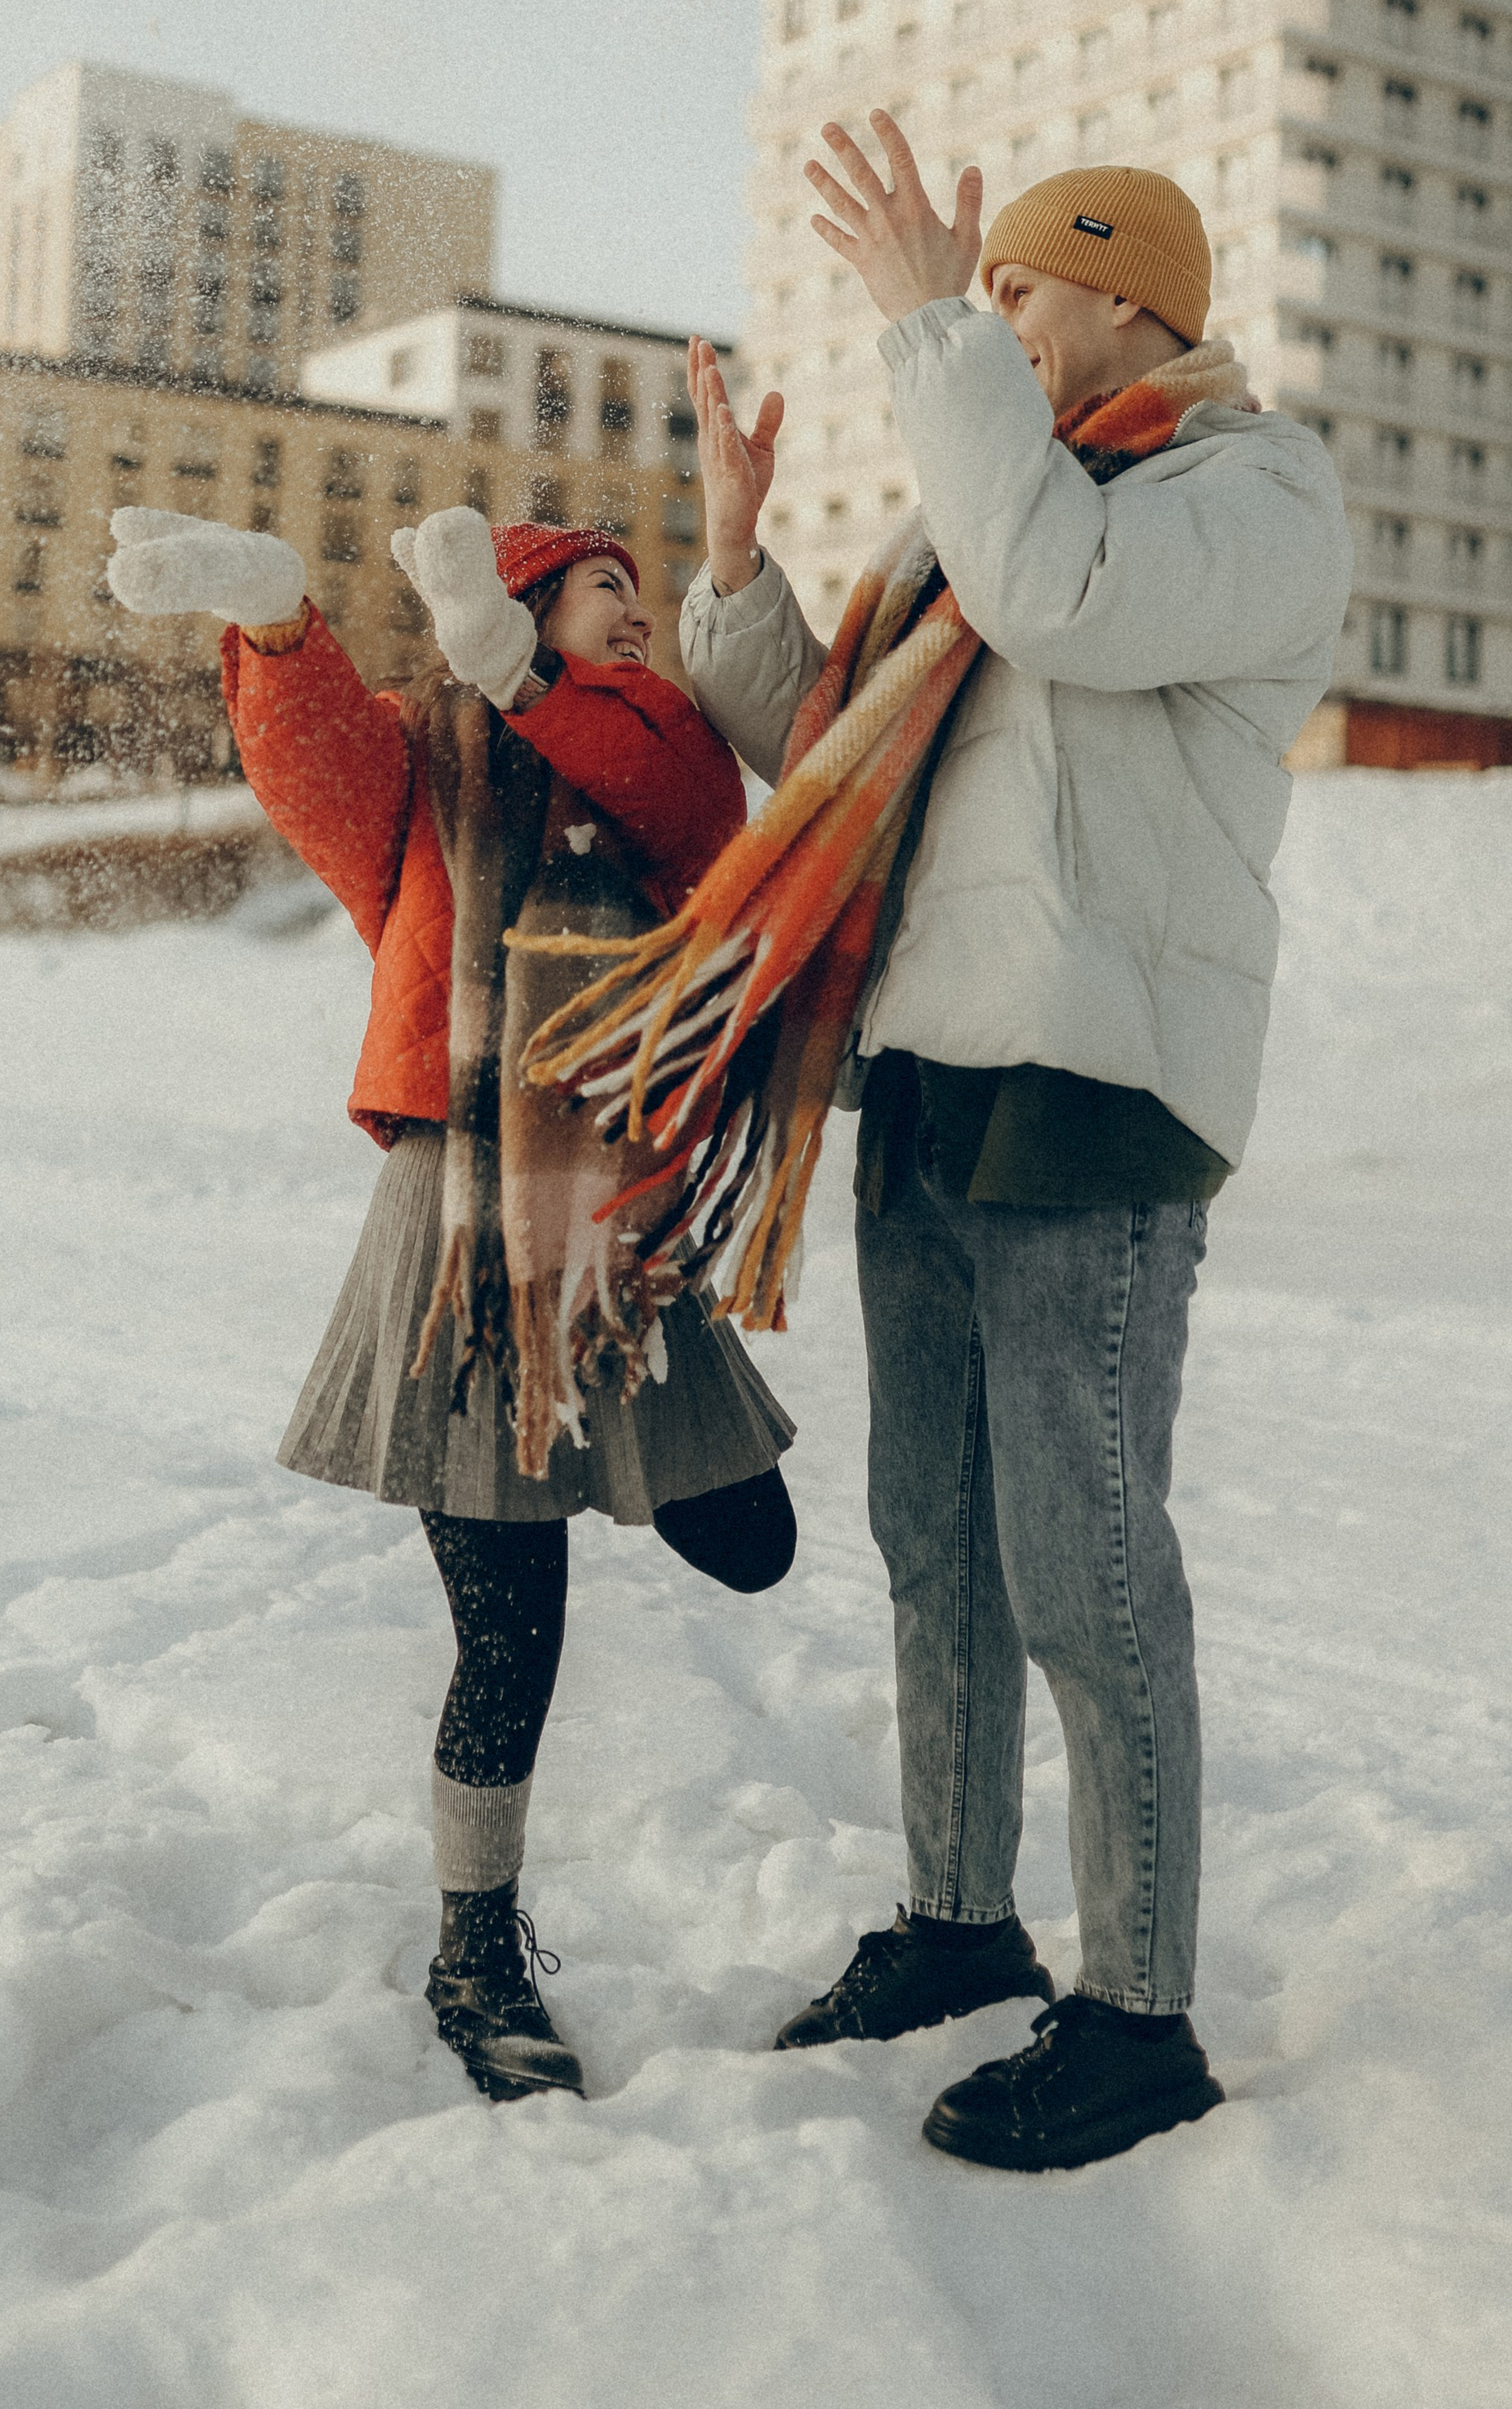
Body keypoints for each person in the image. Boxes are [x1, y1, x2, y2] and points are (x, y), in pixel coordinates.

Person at [677, 114, 1352, 2175]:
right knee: (936, 1553)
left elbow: (1053, 597)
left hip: (1093, 1084)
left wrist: (918, 334)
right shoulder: (994, 502)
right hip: (929, 1078)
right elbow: (822, 741)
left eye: (1017, 293)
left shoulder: (1246, 493)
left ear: (1131, 297)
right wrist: (727, 561)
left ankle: (1137, 2012)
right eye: (982, 302)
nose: (986, 322)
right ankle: (956, 1926)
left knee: (1085, 1569)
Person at [106, 500, 798, 2108]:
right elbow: (318, 772)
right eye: (597, 590)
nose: (632, 610)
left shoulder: (671, 752)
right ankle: (472, 1953)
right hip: (454, 1204)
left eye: (640, 590)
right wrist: (281, 635)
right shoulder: (429, 767)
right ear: (518, 597)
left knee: (746, 1543)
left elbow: (676, 808)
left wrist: (522, 660)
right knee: (509, 1628)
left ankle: (482, 1935)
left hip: (615, 1214)